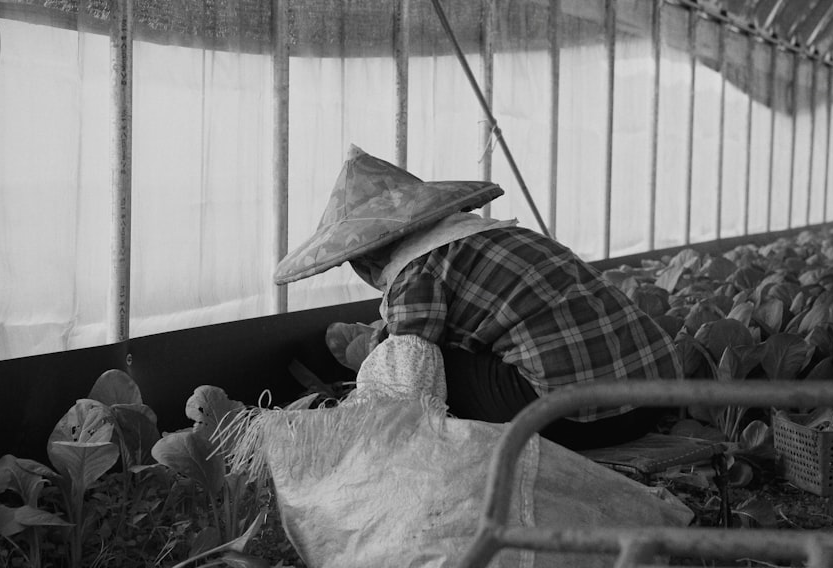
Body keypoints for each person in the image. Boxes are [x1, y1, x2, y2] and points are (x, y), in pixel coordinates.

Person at [275, 145, 682, 450]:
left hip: (573, 418)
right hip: (651, 399)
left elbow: (409, 378)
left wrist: (361, 411)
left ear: (365, 257)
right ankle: (372, 351)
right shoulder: (494, 235)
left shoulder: (417, 269)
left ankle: (374, 365)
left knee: (428, 365)